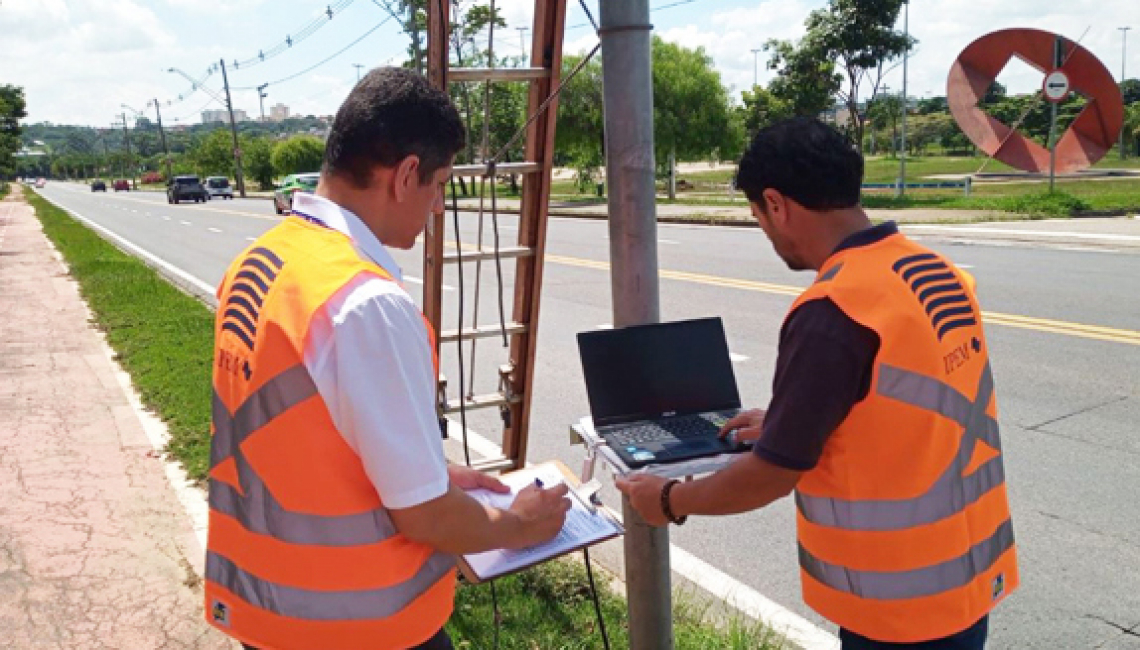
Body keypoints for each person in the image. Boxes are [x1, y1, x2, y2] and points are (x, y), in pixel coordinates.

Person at [205, 67, 571, 650]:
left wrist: (433, 471)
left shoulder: (262, 259)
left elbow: (299, 428)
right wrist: (525, 524)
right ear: (405, 175)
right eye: (440, 185)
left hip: (264, 605)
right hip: (358, 624)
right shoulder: (366, 304)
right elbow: (426, 518)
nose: (435, 207)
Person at [617, 117, 1018, 649]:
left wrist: (668, 500)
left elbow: (770, 477)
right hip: (967, 579)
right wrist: (788, 422)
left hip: (897, 609)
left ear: (776, 204)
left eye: (759, 216)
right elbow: (910, 407)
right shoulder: (935, 271)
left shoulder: (834, 311)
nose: (766, 231)